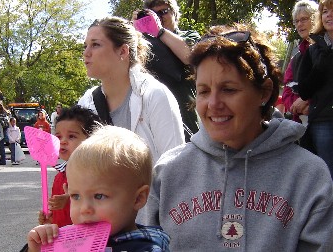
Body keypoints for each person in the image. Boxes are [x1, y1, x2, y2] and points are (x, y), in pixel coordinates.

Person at [138, 24, 333, 251]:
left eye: (228, 89)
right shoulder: (167, 172)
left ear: (264, 92)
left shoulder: (308, 175)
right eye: (203, 91)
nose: (213, 104)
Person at [22, 126, 170, 252]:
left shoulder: (146, 248)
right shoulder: (72, 242)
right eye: (76, 196)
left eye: (99, 196)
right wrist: (37, 248)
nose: (84, 209)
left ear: (138, 198)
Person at [78, 16, 185, 164]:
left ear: (123, 51)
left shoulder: (155, 95)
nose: (86, 53)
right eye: (85, 46)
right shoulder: (86, 102)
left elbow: (175, 166)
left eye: (95, 45)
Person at [132, 0, 200, 141]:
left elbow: (189, 57)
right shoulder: (143, 45)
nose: (158, 17)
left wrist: (160, 32)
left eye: (163, 12)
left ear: (175, 14)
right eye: (154, 14)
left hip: (187, 113)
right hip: (155, 116)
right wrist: (134, 32)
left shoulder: (189, 36)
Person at [38, 105, 102, 228]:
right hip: (63, 240)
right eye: (58, 136)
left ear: (91, 139)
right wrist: (51, 219)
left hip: (84, 240)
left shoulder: (95, 174)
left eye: (71, 136)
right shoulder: (59, 177)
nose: (62, 141)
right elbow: (60, 214)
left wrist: (71, 199)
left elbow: (102, 204)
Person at [298, 0, 333, 177]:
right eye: (325, 11)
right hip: (324, 120)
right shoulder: (314, 50)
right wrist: (321, 65)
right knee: (327, 175)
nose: (329, 15)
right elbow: (303, 90)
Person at [282, 0, 318, 126]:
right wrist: (297, 106)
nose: (299, 24)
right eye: (296, 21)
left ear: (316, 19)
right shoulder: (296, 58)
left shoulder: (327, 51)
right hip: (300, 123)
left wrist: (308, 102)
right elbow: (286, 88)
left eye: (304, 19)